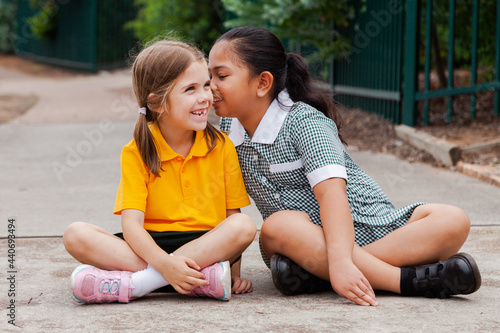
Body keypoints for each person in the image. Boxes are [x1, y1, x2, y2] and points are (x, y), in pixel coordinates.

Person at [208, 26, 481, 306]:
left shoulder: (304, 122)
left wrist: (339, 261)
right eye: (209, 76)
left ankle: (320, 273)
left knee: (454, 220)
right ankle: (404, 281)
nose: (211, 85)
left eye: (222, 75)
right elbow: (228, 203)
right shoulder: (228, 128)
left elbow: (331, 194)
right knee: (276, 226)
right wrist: (230, 270)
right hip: (300, 241)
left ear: (262, 83)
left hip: (376, 228)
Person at [63, 40, 256, 304]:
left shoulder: (221, 146)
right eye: (190, 89)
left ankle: (139, 284)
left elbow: (231, 215)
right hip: (147, 248)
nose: (206, 97)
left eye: (206, 85)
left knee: (244, 226)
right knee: (76, 235)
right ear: (157, 103)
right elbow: (132, 227)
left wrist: (234, 274)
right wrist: (164, 264)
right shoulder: (137, 151)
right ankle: (197, 280)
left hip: (205, 245)